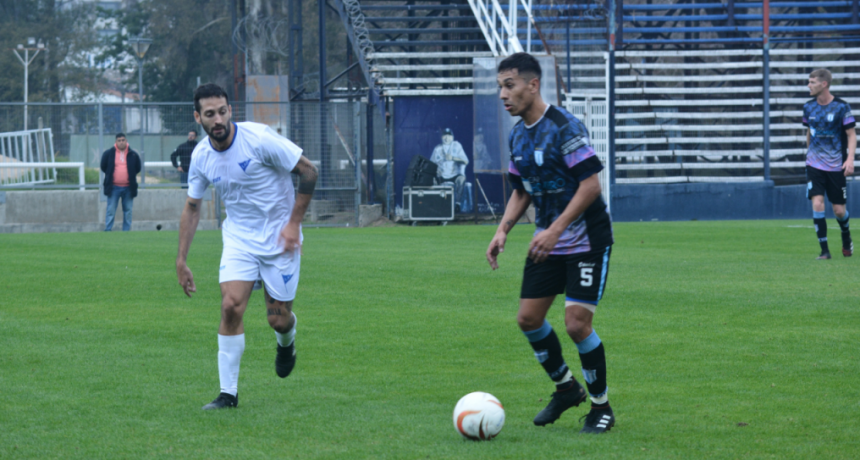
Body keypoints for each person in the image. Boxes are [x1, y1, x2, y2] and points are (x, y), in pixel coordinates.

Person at [485, 53, 616, 434]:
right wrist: (502, 230)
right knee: (528, 319)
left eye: (509, 86)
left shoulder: (564, 127)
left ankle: (601, 407)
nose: (503, 95)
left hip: (586, 240)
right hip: (549, 241)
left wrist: (556, 229)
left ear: (533, 84)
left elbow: (591, 185)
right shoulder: (517, 135)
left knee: (576, 323)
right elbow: (521, 190)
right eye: (500, 87)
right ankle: (565, 388)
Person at [175, 83, 319, 410]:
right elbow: (192, 207)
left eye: (222, 111)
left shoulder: (259, 139)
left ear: (230, 111)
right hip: (239, 239)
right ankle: (228, 394)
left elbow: (309, 171)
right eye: (209, 114)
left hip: (280, 239)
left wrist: (294, 223)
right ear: (198, 117)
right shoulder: (201, 156)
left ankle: (287, 342)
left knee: (277, 320)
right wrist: (182, 259)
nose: (218, 119)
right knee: (230, 306)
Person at [803, 68, 855, 259]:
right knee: (817, 203)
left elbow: (851, 134)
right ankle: (825, 251)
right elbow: (809, 131)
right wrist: (809, 155)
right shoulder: (808, 107)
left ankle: (846, 234)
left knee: (839, 210)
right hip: (814, 165)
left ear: (823, 84)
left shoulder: (841, 107)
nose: (808, 85)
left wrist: (849, 159)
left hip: (836, 165)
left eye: (812, 82)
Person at [100, 133, 142, 231]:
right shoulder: (109, 153)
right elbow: (103, 166)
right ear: (116, 142)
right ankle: (108, 229)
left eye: (123, 140)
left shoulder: (133, 154)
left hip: (128, 188)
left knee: (128, 210)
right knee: (110, 210)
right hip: (113, 187)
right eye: (119, 140)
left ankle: (126, 230)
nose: (121, 142)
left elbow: (138, 167)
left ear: (126, 141)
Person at [430, 127, 469, 208]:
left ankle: (457, 204)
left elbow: (465, 161)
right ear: (442, 137)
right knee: (432, 179)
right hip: (442, 176)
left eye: (449, 136)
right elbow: (431, 164)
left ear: (452, 137)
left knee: (462, 179)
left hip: (454, 175)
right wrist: (436, 171)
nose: (447, 138)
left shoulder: (457, 145)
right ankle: (437, 205)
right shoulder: (437, 149)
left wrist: (453, 158)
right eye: (445, 136)